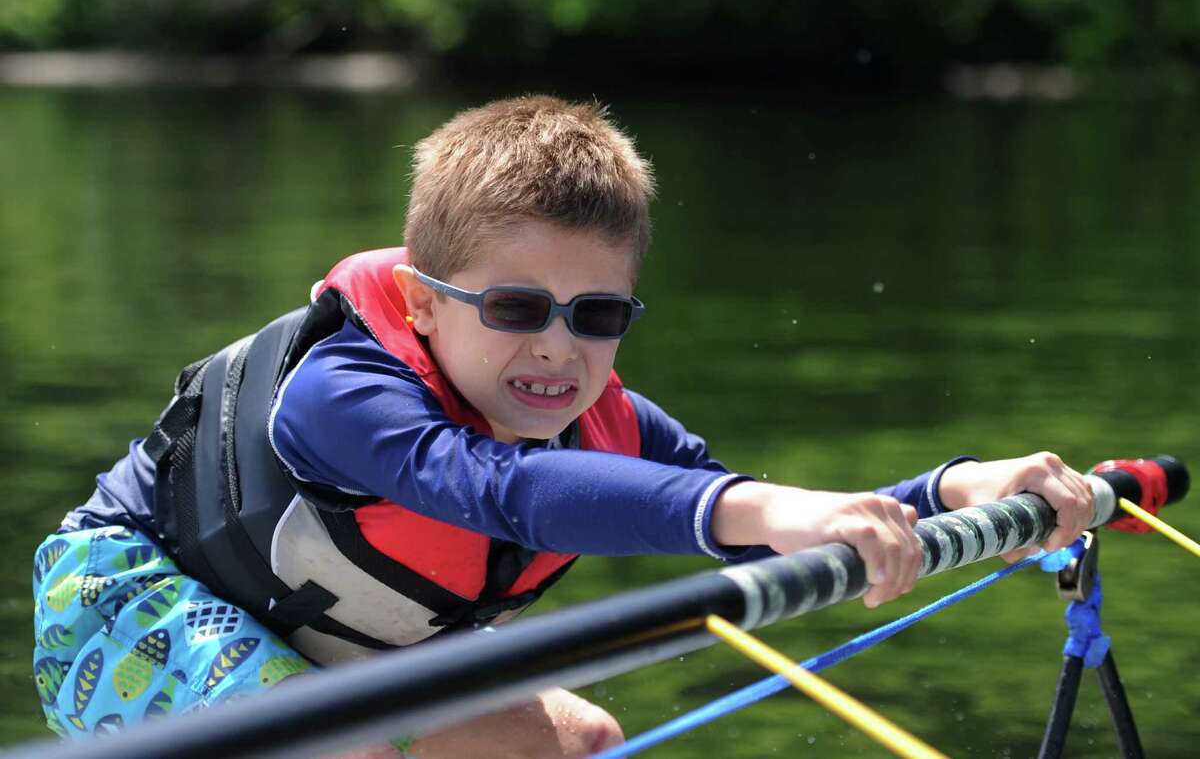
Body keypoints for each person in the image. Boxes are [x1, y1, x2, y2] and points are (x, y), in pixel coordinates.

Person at [32, 96, 1095, 757]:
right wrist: (772, 511)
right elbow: (498, 489)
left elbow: (768, 524)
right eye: (514, 308)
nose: (557, 348)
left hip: (335, 639)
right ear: (422, 303)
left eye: (597, 317)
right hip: (129, 604)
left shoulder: (607, 424)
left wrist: (953, 492)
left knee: (580, 740)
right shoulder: (340, 395)